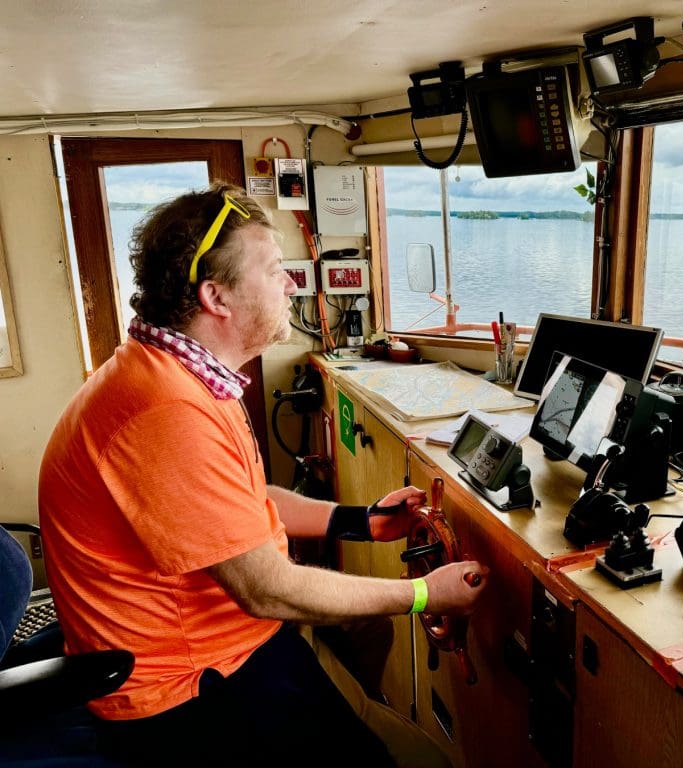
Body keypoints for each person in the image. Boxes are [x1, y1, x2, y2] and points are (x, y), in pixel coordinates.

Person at [37, 182, 488, 767]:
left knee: (365, 633)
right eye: (274, 270)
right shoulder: (164, 410)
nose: (291, 283)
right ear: (216, 296)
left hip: (217, 642)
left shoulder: (180, 373)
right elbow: (265, 588)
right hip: (184, 687)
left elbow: (245, 502)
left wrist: (362, 523)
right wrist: (428, 594)